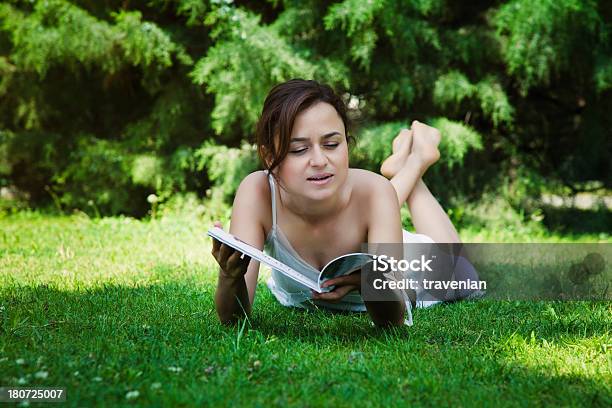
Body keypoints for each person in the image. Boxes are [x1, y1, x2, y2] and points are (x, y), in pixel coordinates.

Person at [211, 79, 464, 327]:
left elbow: (392, 321)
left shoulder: (375, 192)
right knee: (377, 195)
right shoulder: (258, 193)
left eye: (332, 144)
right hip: (373, 212)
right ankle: (410, 166)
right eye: (299, 149)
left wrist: (371, 282)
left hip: (415, 266)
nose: (320, 160)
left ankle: (419, 159)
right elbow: (233, 320)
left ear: (346, 144)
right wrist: (229, 276)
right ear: (269, 157)